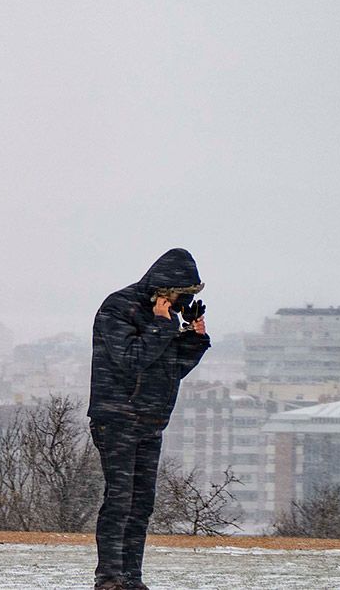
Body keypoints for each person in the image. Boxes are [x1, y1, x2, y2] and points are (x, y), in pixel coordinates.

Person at [88, 248, 209, 590]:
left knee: (142, 504)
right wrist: (162, 325)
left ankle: (132, 578)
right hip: (117, 418)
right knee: (120, 498)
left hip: (151, 421)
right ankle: (109, 578)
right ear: (164, 287)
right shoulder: (117, 308)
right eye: (179, 296)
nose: (181, 303)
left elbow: (172, 370)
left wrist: (194, 340)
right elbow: (132, 359)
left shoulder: (166, 318)